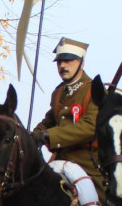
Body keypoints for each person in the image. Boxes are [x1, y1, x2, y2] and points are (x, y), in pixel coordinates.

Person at [31, 37, 103, 191]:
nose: (62, 65)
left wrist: (50, 135)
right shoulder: (58, 93)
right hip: (59, 160)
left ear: (81, 63)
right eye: (59, 62)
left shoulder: (94, 90)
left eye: (68, 60)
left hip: (88, 164)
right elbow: (49, 121)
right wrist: (29, 137)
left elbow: (91, 126)